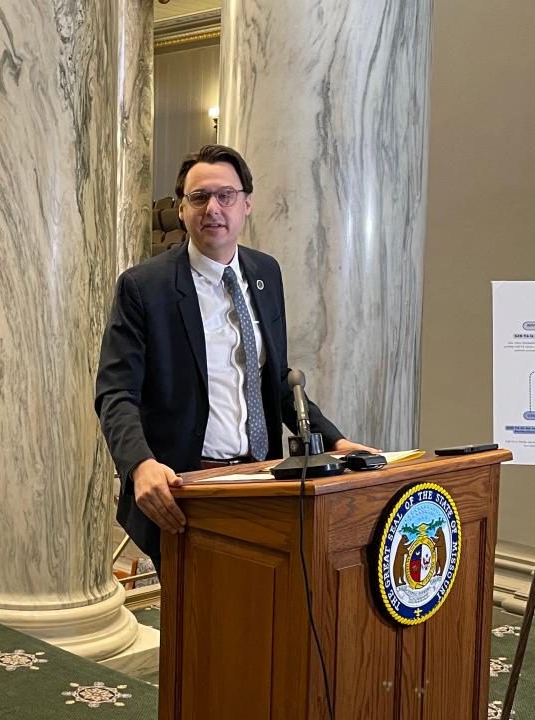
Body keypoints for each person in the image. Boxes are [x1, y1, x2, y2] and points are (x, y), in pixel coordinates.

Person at [95, 144, 374, 573]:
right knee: (198, 623)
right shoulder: (144, 287)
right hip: (187, 489)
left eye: (225, 195)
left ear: (247, 203)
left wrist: (335, 441)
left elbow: (277, 379)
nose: (213, 208)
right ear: (183, 209)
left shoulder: (266, 273)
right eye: (199, 197)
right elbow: (116, 392)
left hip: (263, 481)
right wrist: (139, 465)